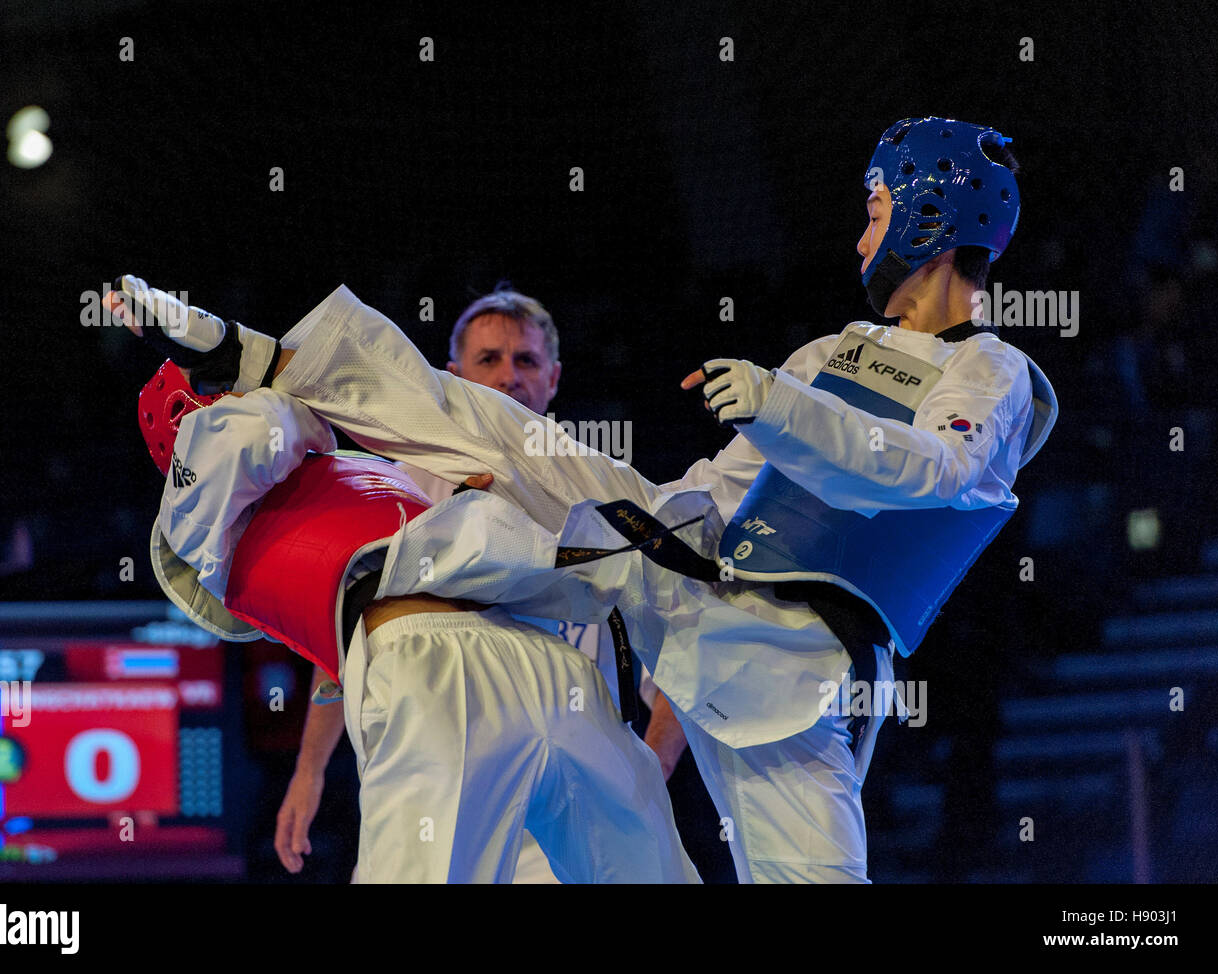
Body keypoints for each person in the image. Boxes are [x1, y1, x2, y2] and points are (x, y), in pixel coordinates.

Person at [115, 117, 1058, 882]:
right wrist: (645, 508)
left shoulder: (993, 371)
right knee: (500, 427)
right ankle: (254, 354)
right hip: (692, 564)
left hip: (793, 665)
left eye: (879, 206)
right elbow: (726, 487)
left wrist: (781, 408)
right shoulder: (825, 355)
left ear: (931, 216)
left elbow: (932, 471)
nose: (863, 231)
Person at [125, 351, 699, 884]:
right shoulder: (194, 518)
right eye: (222, 393)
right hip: (433, 670)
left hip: (540, 658)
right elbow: (256, 429)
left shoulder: (351, 479)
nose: (239, 396)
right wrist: (269, 374)